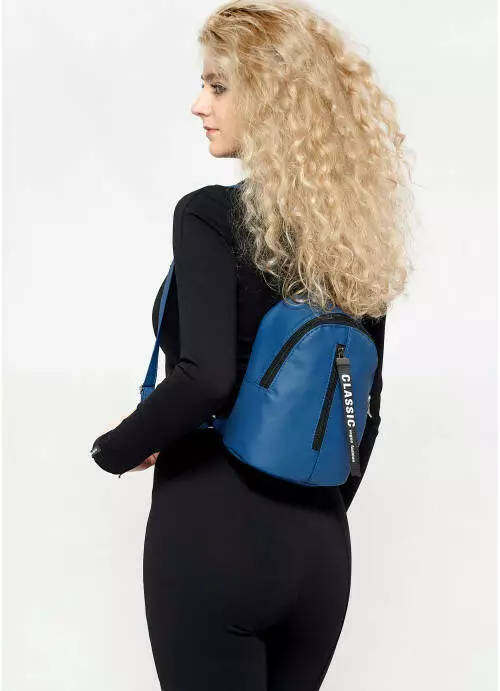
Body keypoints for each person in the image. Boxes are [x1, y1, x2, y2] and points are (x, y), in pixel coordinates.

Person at [90, 1, 415, 688]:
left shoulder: (209, 215)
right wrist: (303, 518)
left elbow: (206, 378)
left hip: (212, 532)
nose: (198, 104)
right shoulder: (353, 238)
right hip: (321, 553)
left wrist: (115, 448)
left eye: (218, 85)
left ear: (269, 99)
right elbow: (365, 415)